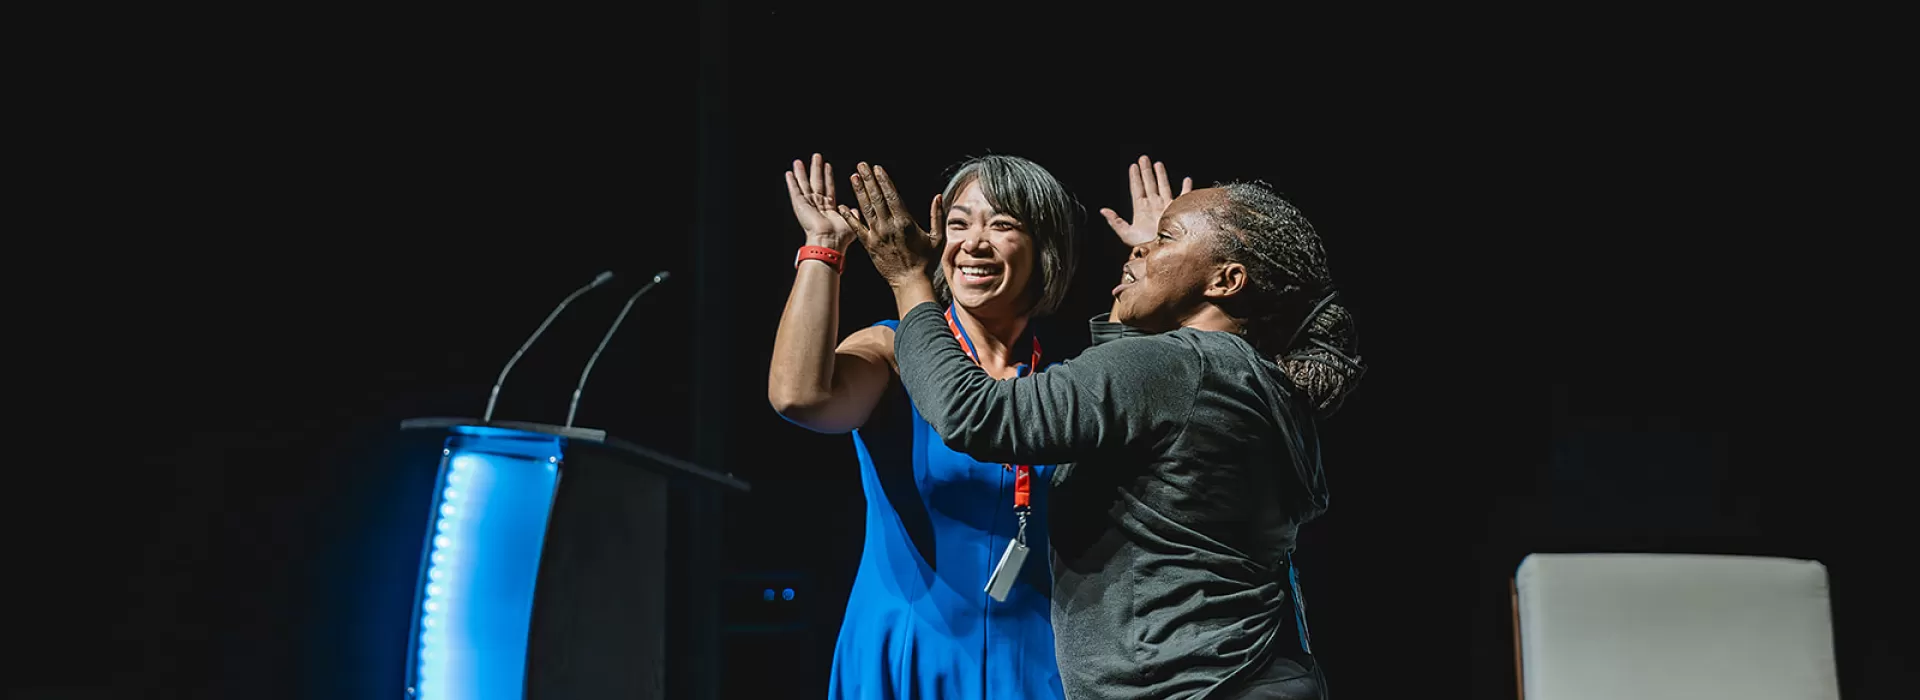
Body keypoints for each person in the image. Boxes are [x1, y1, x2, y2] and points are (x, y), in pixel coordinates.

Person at [844, 160, 1365, 700]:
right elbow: (1123, 419)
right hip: (1257, 677)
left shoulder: (1173, 369)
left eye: (1165, 237)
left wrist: (909, 282)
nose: (1140, 249)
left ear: (1226, 280)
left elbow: (973, 413)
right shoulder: (1259, 381)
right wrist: (1156, 271)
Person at [767, 153, 1080, 699]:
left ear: (1044, 250)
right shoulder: (892, 353)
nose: (973, 243)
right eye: (959, 223)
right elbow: (800, 397)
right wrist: (824, 247)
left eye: (1002, 225)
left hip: (1034, 664)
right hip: (909, 656)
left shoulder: (1062, 385)